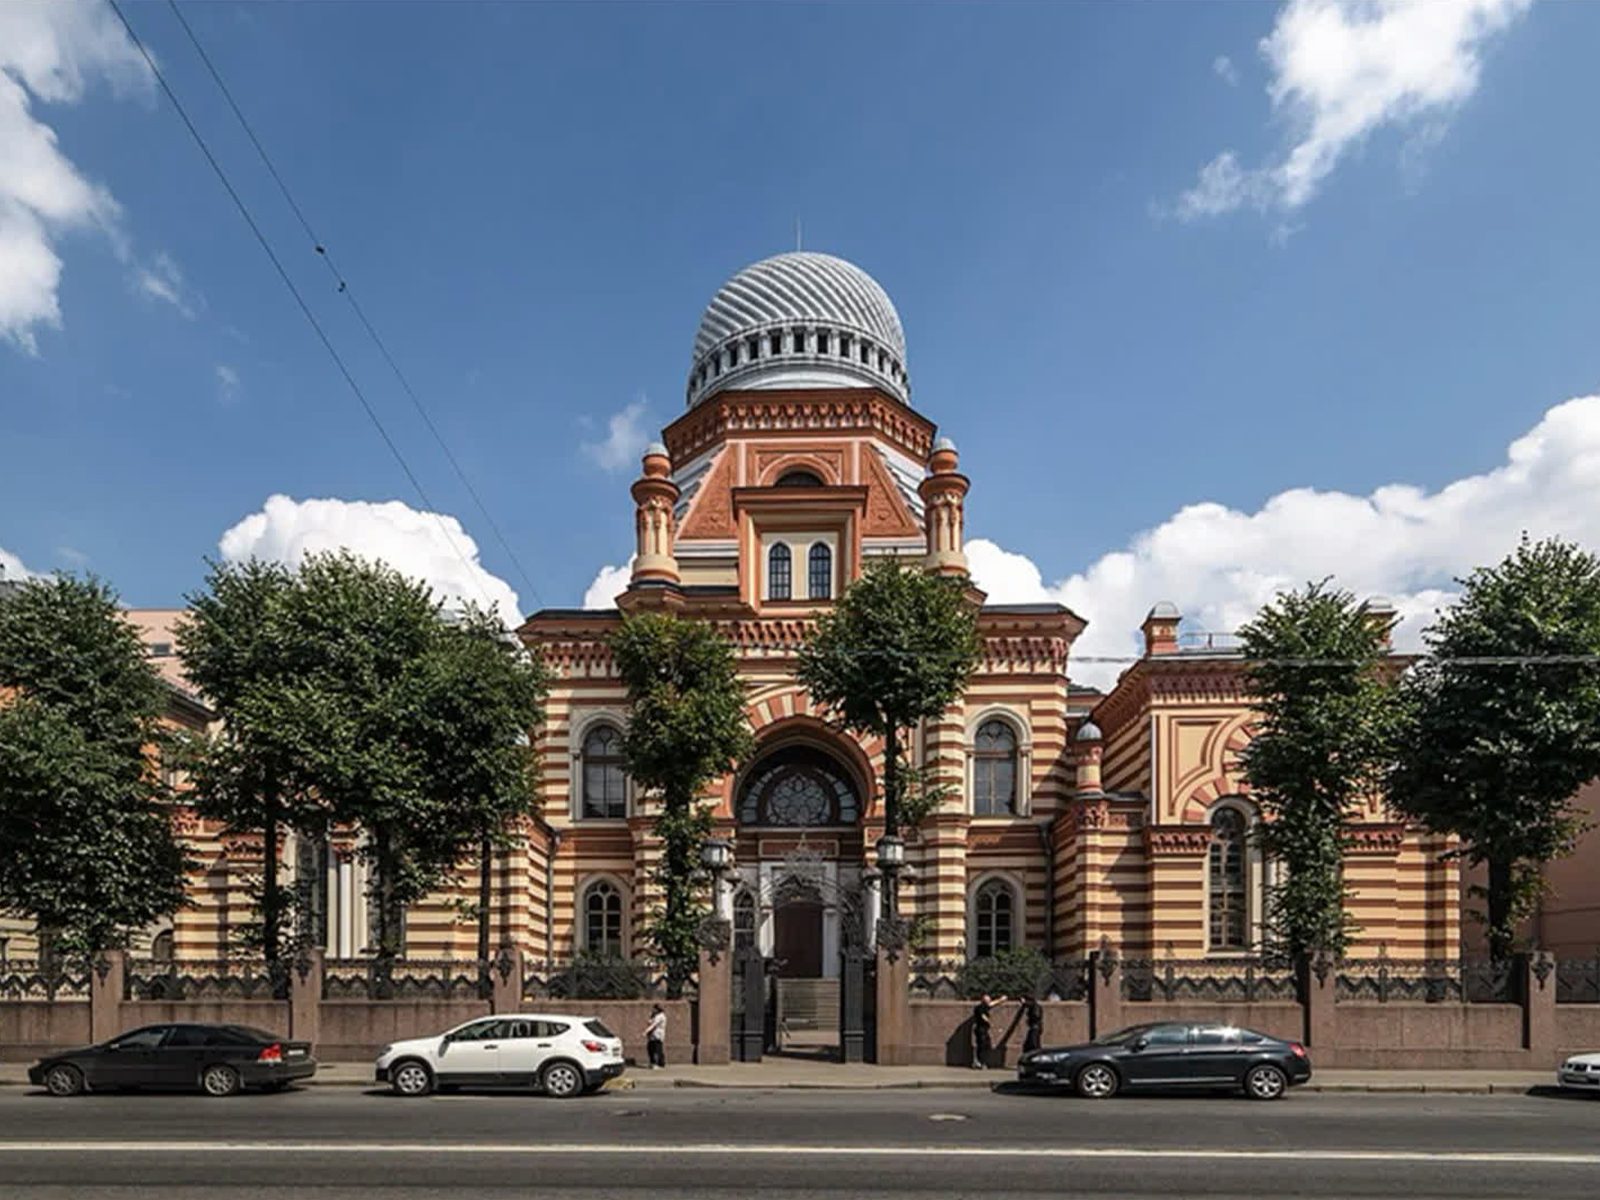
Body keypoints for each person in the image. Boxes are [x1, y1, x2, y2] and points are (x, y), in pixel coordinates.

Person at [970, 991, 1008, 1069]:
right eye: (987, 1000)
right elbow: (982, 1016)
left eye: (989, 999)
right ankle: (979, 1062)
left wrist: (1000, 1000)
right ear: (983, 1000)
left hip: (984, 1029)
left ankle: (981, 1062)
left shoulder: (985, 1006)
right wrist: (989, 1021)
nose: (989, 1001)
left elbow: (992, 1004)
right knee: (982, 1045)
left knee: (986, 1045)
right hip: (980, 1029)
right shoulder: (979, 1008)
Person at [645, 1004, 667, 1069]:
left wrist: (646, 1032)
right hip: (653, 1035)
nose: (653, 1010)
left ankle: (658, 1063)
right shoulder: (655, 1016)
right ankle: (654, 1062)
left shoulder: (660, 1016)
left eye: (654, 1009)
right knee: (651, 1048)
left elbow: (654, 1025)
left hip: (657, 1035)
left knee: (657, 1049)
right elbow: (649, 1022)